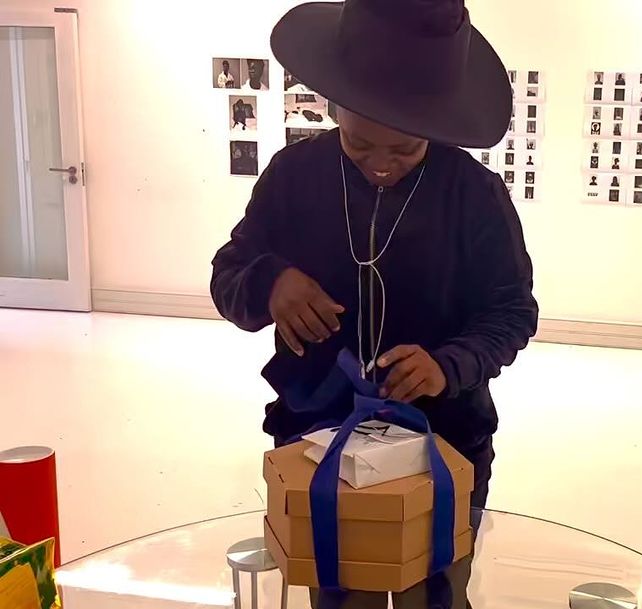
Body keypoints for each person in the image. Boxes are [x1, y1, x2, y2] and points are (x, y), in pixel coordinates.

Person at [211, 0, 537, 515]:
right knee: (324, 568)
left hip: (442, 441)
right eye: (359, 144)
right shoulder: (294, 175)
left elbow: (512, 311)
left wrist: (447, 366)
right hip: (313, 436)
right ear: (333, 106)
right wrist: (269, 282)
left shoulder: (474, 194)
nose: (382, 165)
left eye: (406, 149)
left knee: (438, 570)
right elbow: (227, 276)